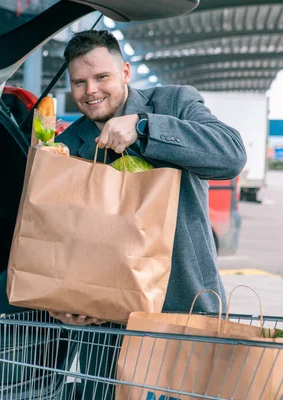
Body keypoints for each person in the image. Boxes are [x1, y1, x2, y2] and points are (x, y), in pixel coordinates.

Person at [46, 30, 247, 397]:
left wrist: (143, 127)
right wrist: (66, 304)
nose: (91, 90)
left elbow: (231, 155)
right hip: (106, 327)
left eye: (101, 77)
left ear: (124, 71)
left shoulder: (173, 103)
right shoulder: (66, 147)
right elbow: (62, 239)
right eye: (79, 82)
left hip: (182, 308)